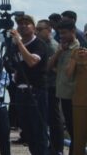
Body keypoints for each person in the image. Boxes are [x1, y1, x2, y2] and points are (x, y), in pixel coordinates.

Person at [10, 14, 48, 155]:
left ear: (34, 27)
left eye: (27, 23)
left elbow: (32, 62)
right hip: (21, 92)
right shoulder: (15, 46)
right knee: (27, 131)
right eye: (20, 24)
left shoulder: (39, 44)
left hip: (36, 91)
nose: (23, 26)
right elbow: (14, 65)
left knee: (38, 130)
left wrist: (19, 43)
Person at [50, 19, 80, 153]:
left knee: (76, 132)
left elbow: (69, 73)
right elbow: (49, 66)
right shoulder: (62, 47)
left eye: (64, 33)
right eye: (59, 33)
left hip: (74, 96)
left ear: (73, 31)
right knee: (70, 128)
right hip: (63, 93)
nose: (61, 36)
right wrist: (59, 52)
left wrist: (72, 56)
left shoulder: (78, 49)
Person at [37, 18, 64, 155]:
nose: (36, 32)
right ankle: (52, 146)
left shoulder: (52, 46)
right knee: (49, 117)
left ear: (49, 30)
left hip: (52, 85)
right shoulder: (43, 44)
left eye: (39, 29)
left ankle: (57, 148)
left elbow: (53, 67)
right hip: (47, 84)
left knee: (54, 118)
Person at [67, 47, 87, 155]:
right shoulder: (77, 52)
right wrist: (76, 59)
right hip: (79, 102)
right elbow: (68, 74)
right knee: (78, 142)